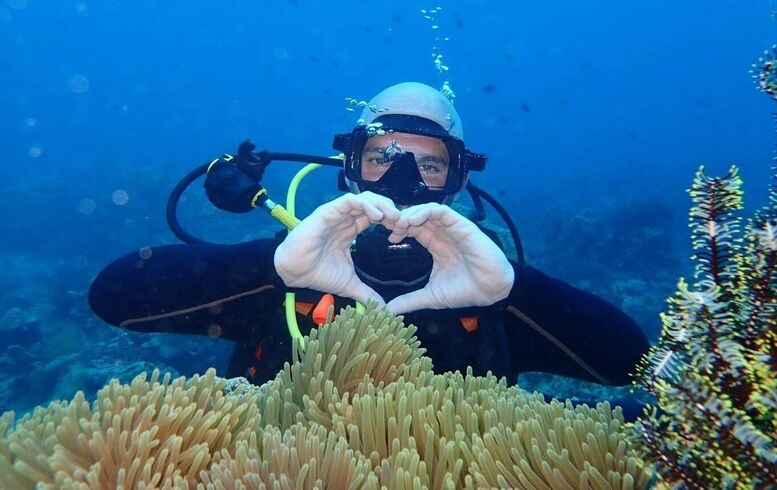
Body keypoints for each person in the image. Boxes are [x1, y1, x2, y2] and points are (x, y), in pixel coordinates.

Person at [89, 82, 650, 407]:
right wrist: (270, 268)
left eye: (430, 164)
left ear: (457, 181)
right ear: (348, 168)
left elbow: (630, 361)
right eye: (382, 156)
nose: (403, 177)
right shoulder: (290, 271)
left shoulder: (493, 292)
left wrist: (513, 291)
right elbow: (114, 297)